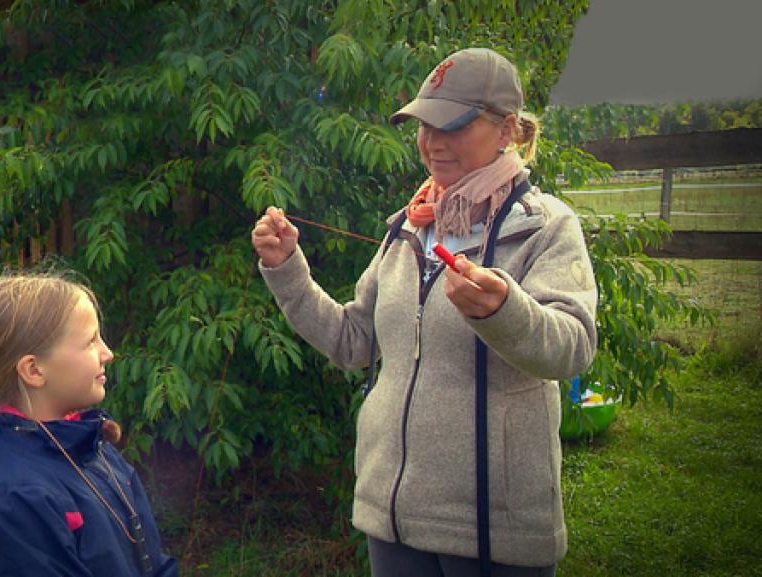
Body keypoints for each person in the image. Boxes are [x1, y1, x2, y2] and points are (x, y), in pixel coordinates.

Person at [251, 47, 597, 576]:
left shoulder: (546, 227)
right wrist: (287, 270)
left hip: (493, 536)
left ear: (506, 130)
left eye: (452, 126)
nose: (432, 143)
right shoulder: (409, 226)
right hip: (391, 522)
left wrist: (504, 310)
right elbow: (352, 341)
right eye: (423, 126)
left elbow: (573, 348)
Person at [0, 274, 178, 577]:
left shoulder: (92, 448)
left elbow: (152, 562)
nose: (108, 354)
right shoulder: (18, 503)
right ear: (34, 370)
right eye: (90, 341)